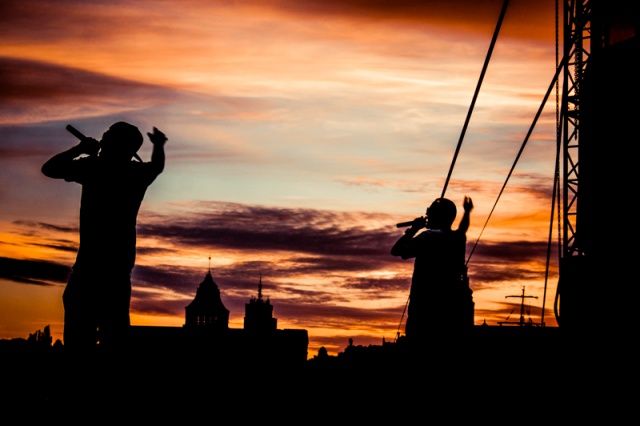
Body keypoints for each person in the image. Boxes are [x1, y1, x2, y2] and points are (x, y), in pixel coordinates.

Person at [41, 121, 167, 354]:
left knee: (79, 340)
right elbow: (157, 167)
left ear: (114, 143)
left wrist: (79, 149)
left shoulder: (94, 168)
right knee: (115, 338)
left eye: (107, 136)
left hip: (88, 269)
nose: (103, 139)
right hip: (118, 269)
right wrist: (159, 145)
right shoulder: (136, 173)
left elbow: (50, 169)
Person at [391, 196, 474, 345]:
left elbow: (397, 251)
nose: (427, 217)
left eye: (430, 213)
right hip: (450, 312)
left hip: (424, 311)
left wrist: (414, 229)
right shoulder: (457, 239)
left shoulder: (428, 237)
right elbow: (462, 228)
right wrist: (467, 212)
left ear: (437, 216)